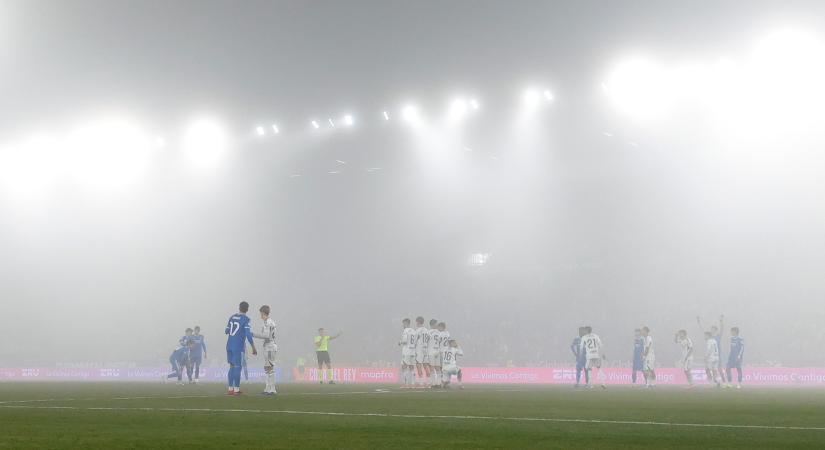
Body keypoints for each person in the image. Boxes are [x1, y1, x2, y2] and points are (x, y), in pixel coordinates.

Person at [225, 301, 257, 395]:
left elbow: (226, 331)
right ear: (247, 309)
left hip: (229, 345)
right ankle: (236, 390)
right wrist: (253, 347)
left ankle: (230, 389)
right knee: (238, 367)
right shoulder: (246, 319)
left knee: (231, 366)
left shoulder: (231, 317)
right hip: (237, 346)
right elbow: (248, 334)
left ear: (239, 308)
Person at [253, 305, 277, 395]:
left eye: (261, 314)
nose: (260, 316)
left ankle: (272, 389)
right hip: (269, 346)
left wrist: (254, 334)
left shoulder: (267, 322)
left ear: (263, 313)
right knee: (267, 367)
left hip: (270, 346)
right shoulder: (270, 322)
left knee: (270, 367)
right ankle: (267, 388)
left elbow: (266, 335)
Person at [698, 315, 726, 384]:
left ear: (716, 330)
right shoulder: (709, 337)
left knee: (718, 369)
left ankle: (723, 381)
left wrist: (721, 321)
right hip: (712, 356)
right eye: (711, 329)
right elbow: (703, 330)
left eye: (713, 329)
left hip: (717, 355)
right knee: (712, 369)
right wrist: (699, 323)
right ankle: (714, 381)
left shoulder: (718, 336)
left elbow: (722, 329)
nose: (712, 330)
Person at [398, 318, 416, 388]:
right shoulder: (413, 331)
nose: (403, 325)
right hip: (413, 351)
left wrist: (400, 342)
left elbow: (405, 341)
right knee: (412, 368)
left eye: (403, 323)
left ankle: (405, 384)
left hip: (407, 351)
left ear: (406, 323)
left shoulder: (406, 330)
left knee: (404, 367)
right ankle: (413, 384)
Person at [414, 317, 429, 387]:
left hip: (419, 349)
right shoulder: (426, 330)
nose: (415, 323)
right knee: (425, 365)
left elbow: (414, 341)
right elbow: (428, 339)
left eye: (416, 322)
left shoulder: (418, 330)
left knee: (418, 364)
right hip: (426, 349)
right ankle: (428, 382)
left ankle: (421, 382)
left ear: (418, 322)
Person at [426, 319, 441, 388]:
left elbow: (426, 342)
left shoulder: (428, 332)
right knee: (438, 368)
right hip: (437, 351)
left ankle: (433, 383)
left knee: (432, 368)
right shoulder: (439, 332)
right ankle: (439, 383)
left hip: (431, 351)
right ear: (434, 324)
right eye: (436, 324)